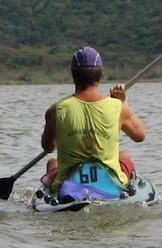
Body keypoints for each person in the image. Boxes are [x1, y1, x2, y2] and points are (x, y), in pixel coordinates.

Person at [40, 46, 145, 193]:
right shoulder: (118, 107)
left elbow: (48, 147)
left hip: (69, 182)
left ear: (73, 75)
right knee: (125, 156)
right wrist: (123, 102)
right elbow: (140, 136)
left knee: (52, 162)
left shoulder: (55, 110)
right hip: (110, 182)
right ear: (100, 74)